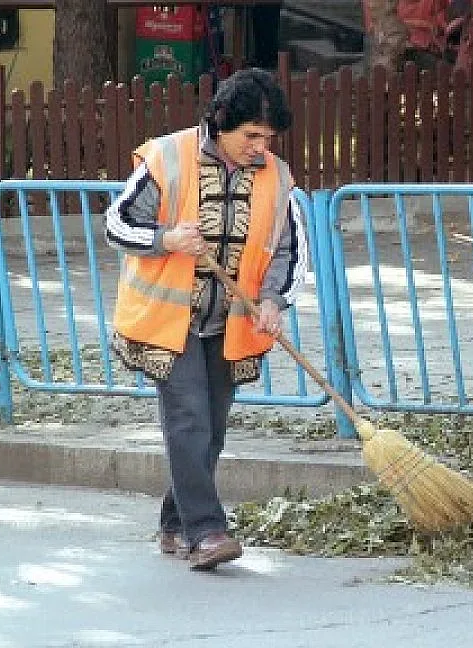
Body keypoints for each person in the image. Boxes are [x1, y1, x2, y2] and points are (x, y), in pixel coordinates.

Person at [105, 68, 308, 571]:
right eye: (251, 136)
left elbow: (289, 250)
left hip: (231, 323)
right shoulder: (168, 158)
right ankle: (207, 531)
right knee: (189, 419)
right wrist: (166, 239)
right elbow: (116, 223)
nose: (260, 147)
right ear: (221, 123)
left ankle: (175, 522)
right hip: (167, 320)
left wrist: (272, 302)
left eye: (268, 138)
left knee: (211, 427)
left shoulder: (277, 178)